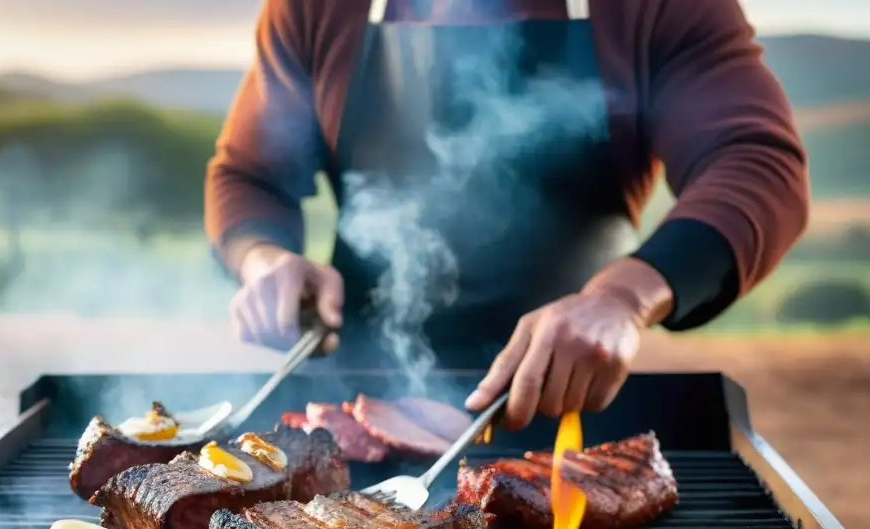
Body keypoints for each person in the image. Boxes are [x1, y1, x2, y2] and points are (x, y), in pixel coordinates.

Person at [205, 0, 808, 429]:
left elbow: (756, 163)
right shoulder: (317, 8)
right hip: (352, 406)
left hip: (570, 405)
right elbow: (249, 176)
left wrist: (622, 299)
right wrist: (267, 260)